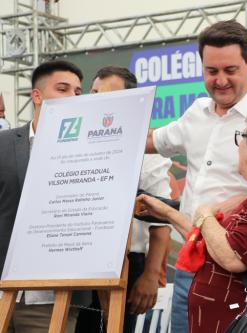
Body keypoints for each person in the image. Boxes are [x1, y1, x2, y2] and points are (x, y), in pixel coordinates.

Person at [143, 20, 247, 333]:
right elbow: (152, 141)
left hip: (244, 277)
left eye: (230, 70)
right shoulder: (195, 113)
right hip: (188, 266)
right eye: (212, 71)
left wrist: (246, 202)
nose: (220, 80)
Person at [138, 107, 247, 332]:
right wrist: (169, 213)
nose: (238, 146)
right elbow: (214, 244)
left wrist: (205, 213)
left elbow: (233, 257)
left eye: (242, 138)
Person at [75, 66, 172, 333]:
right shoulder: (73, 144)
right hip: (75, 258)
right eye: (94, 93)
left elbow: (161, 221)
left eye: (109, 95)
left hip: (127, 265)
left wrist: (151, 275)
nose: (98, 101)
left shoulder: (147, 147)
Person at [0, 60, 84, 332]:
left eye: (78, 92)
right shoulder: (3, 144)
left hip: (52, 298)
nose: (72, 96)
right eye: (63, 88)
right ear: (37, 96)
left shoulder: (91, 151)